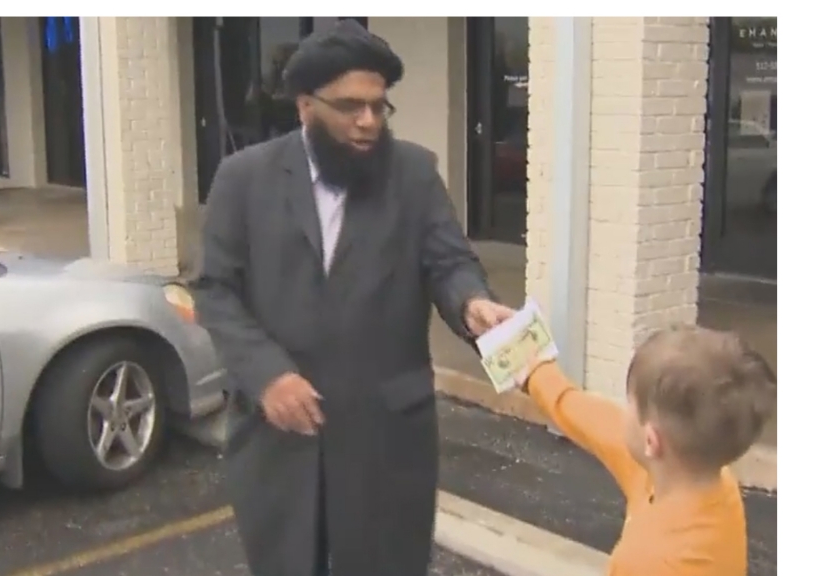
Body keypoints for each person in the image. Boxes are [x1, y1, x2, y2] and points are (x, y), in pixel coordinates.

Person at [193, 19, 512, 576]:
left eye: (378, 106)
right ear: (305, 106)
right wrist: (267, 375)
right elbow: (216, 290)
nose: (367, 122)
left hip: (386, 435)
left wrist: (471, 303)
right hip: (280, 437)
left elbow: (449, 260)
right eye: (349, 107)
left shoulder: (412, 172)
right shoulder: (243, 179)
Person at [520, 324, 776, 575]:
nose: (623, 412)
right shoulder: (714, 483)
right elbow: (595, 420)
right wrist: (536, 372)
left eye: (629, 403)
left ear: (651, 440)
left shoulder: (645, 561)